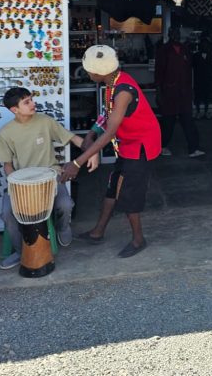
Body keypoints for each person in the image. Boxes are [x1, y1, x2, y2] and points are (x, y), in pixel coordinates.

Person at [64, 45, 161, 257]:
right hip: (128, 145)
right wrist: (91, 132)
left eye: (89, 70)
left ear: (99, 72)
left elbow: (109, 133)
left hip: (140, 147)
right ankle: (98, 232)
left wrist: (77, 162)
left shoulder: (123, 91)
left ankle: (138, 240)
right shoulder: (112, 82)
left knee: (129, 195)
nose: (87, 73)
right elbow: (106, 114)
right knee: (112, 188)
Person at [0, 87, 99, 270]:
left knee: (65, 205)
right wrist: (15, 183)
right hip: (22, 183)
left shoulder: (45, 121)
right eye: (26, 102)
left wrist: (91, 152)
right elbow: (7, 164)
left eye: (31, 99)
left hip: (50, 176)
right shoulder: (6, 132)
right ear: (15, 110)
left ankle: (63, 227)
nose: (33, 104)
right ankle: (21, 252)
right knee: (7, 213)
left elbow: (73, 138)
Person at [154, 26, 204, 157]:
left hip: (184, 92)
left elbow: (190, 70)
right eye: (173, 33)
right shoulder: (163, 50)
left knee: (188, 120)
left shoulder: (185, 49)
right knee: (168, 122)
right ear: (169, 35)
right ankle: (161, 146)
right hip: (169, 92)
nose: (176, 35)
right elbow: (158, 73)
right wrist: (159, 92)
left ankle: (193, 148)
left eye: (177, 33)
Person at [192, 37, 212, 119]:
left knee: (207, 97)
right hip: (198, 79)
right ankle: (198, 112)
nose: (204, 47)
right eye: (203, 45)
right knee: (198, 97)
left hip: (207, 79)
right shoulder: (195, 56)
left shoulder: (211, 56)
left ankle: (206, 111)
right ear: (200, 46)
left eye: (206, 45)